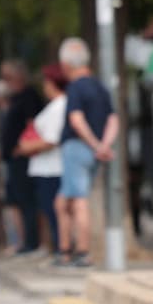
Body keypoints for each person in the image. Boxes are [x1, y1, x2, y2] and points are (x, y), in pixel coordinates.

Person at [54, 37, 118, 268]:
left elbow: (76, 119)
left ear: (66, 64)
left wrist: (94, 144)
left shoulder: (75, 88)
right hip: (93, 152)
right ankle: (64, 251)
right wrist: (104, 145)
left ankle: (82, 252)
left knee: (78, 201)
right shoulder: (100, 87)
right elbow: (113, 119)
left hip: (77, 149)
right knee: (62, 202)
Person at [15, 63, 66, 257]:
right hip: (45, 168)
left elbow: (51, 140)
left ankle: (61, 251)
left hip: (52, 168)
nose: (44, 86)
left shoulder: (59, 107)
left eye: (46, 82)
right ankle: (58, 249)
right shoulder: (53, 107)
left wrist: (27, 147)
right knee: (49, 210)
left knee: (54, 212)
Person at [0, 59, 45, 255]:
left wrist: (23, 146)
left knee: (28, 201)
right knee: (16, 201)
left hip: (24, 157)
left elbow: (32, 124)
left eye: (8, 76)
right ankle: (22, 242)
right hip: (12, 159)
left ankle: (32, 243)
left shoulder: (28, 96)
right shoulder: (14, 98)